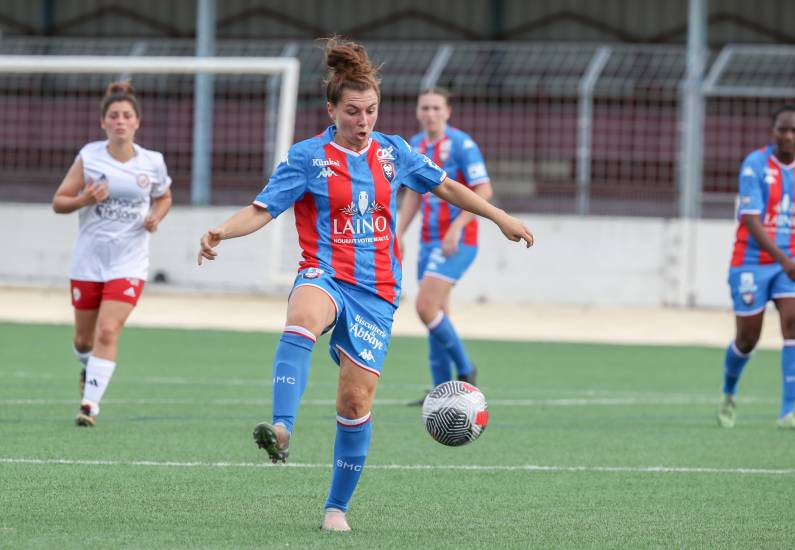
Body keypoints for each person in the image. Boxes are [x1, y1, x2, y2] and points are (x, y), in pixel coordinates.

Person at [197, 38, 533, 532]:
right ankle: (283, 428)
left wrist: (500, 216)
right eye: (352, 111)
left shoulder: (396, 152)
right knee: (304, 318)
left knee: (355, 403)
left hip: (376, 293)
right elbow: (262, 210)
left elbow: (447, 186)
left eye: (371, 110)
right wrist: (221, 230)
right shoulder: (308, 157)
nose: (363, 120)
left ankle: (336, 509)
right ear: (331, 109)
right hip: (326, 272)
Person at [52, 81, 173, 427]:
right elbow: (59, 202)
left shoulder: (153, 162)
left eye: (127, 115)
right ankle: (87, 366)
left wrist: (156, 216)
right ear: (103, 122)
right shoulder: (89, 157)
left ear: (138, 121)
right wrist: (85, 199)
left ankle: (89, 405)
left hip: (129, 261)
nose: (120, 121)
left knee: (108, 331)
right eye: (114, 116)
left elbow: (164, 197)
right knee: (83, 339)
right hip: (89, 261)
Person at [717, 105, 795, 431]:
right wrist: (786, 259)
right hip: (750, 262)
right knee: (747, 339)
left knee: (794, 324)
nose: (789, 136)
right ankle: (728, 394)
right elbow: (750, 220)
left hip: (790, 262)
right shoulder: (755, 166)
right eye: (783, 130)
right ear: (773, 132)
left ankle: (787, 413)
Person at [397, 88, 492, 402]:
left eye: (437, 108)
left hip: (457, 241)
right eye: (425, 107)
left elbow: (484, 190)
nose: (430, 113)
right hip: (427, 241)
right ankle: (441, 392)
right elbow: (412, 193)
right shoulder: (416, 145)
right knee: (437, 315)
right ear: (417, 111)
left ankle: (466, 369)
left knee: (425, 307)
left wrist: (457, 225)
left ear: (448, 112)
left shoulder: (462, 144)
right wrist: (399, 233)